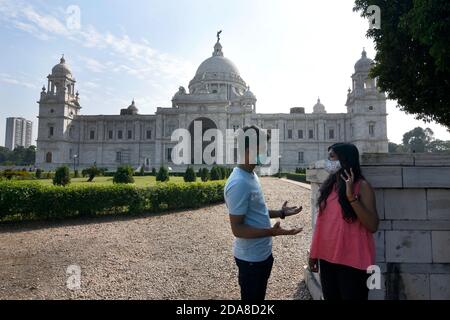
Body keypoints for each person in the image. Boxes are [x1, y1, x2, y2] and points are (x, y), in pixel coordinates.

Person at [224, 125, 303, 301]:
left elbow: (257, 211)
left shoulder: (251, 175)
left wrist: (281, 213)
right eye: (263, 148)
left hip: (261, 255)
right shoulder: (239, 183)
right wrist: (271, 232)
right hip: (251, 260)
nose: (266, 151)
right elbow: (237, 229)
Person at [308, 143, 379, 300]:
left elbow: (373, 225)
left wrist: (351, 197)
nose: (328, 161)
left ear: (345, 159)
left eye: (332, 157)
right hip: (327, 257)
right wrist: (314, 253)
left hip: (353, 260)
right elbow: (321, 224)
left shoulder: (362, 187)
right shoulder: (329, 186)